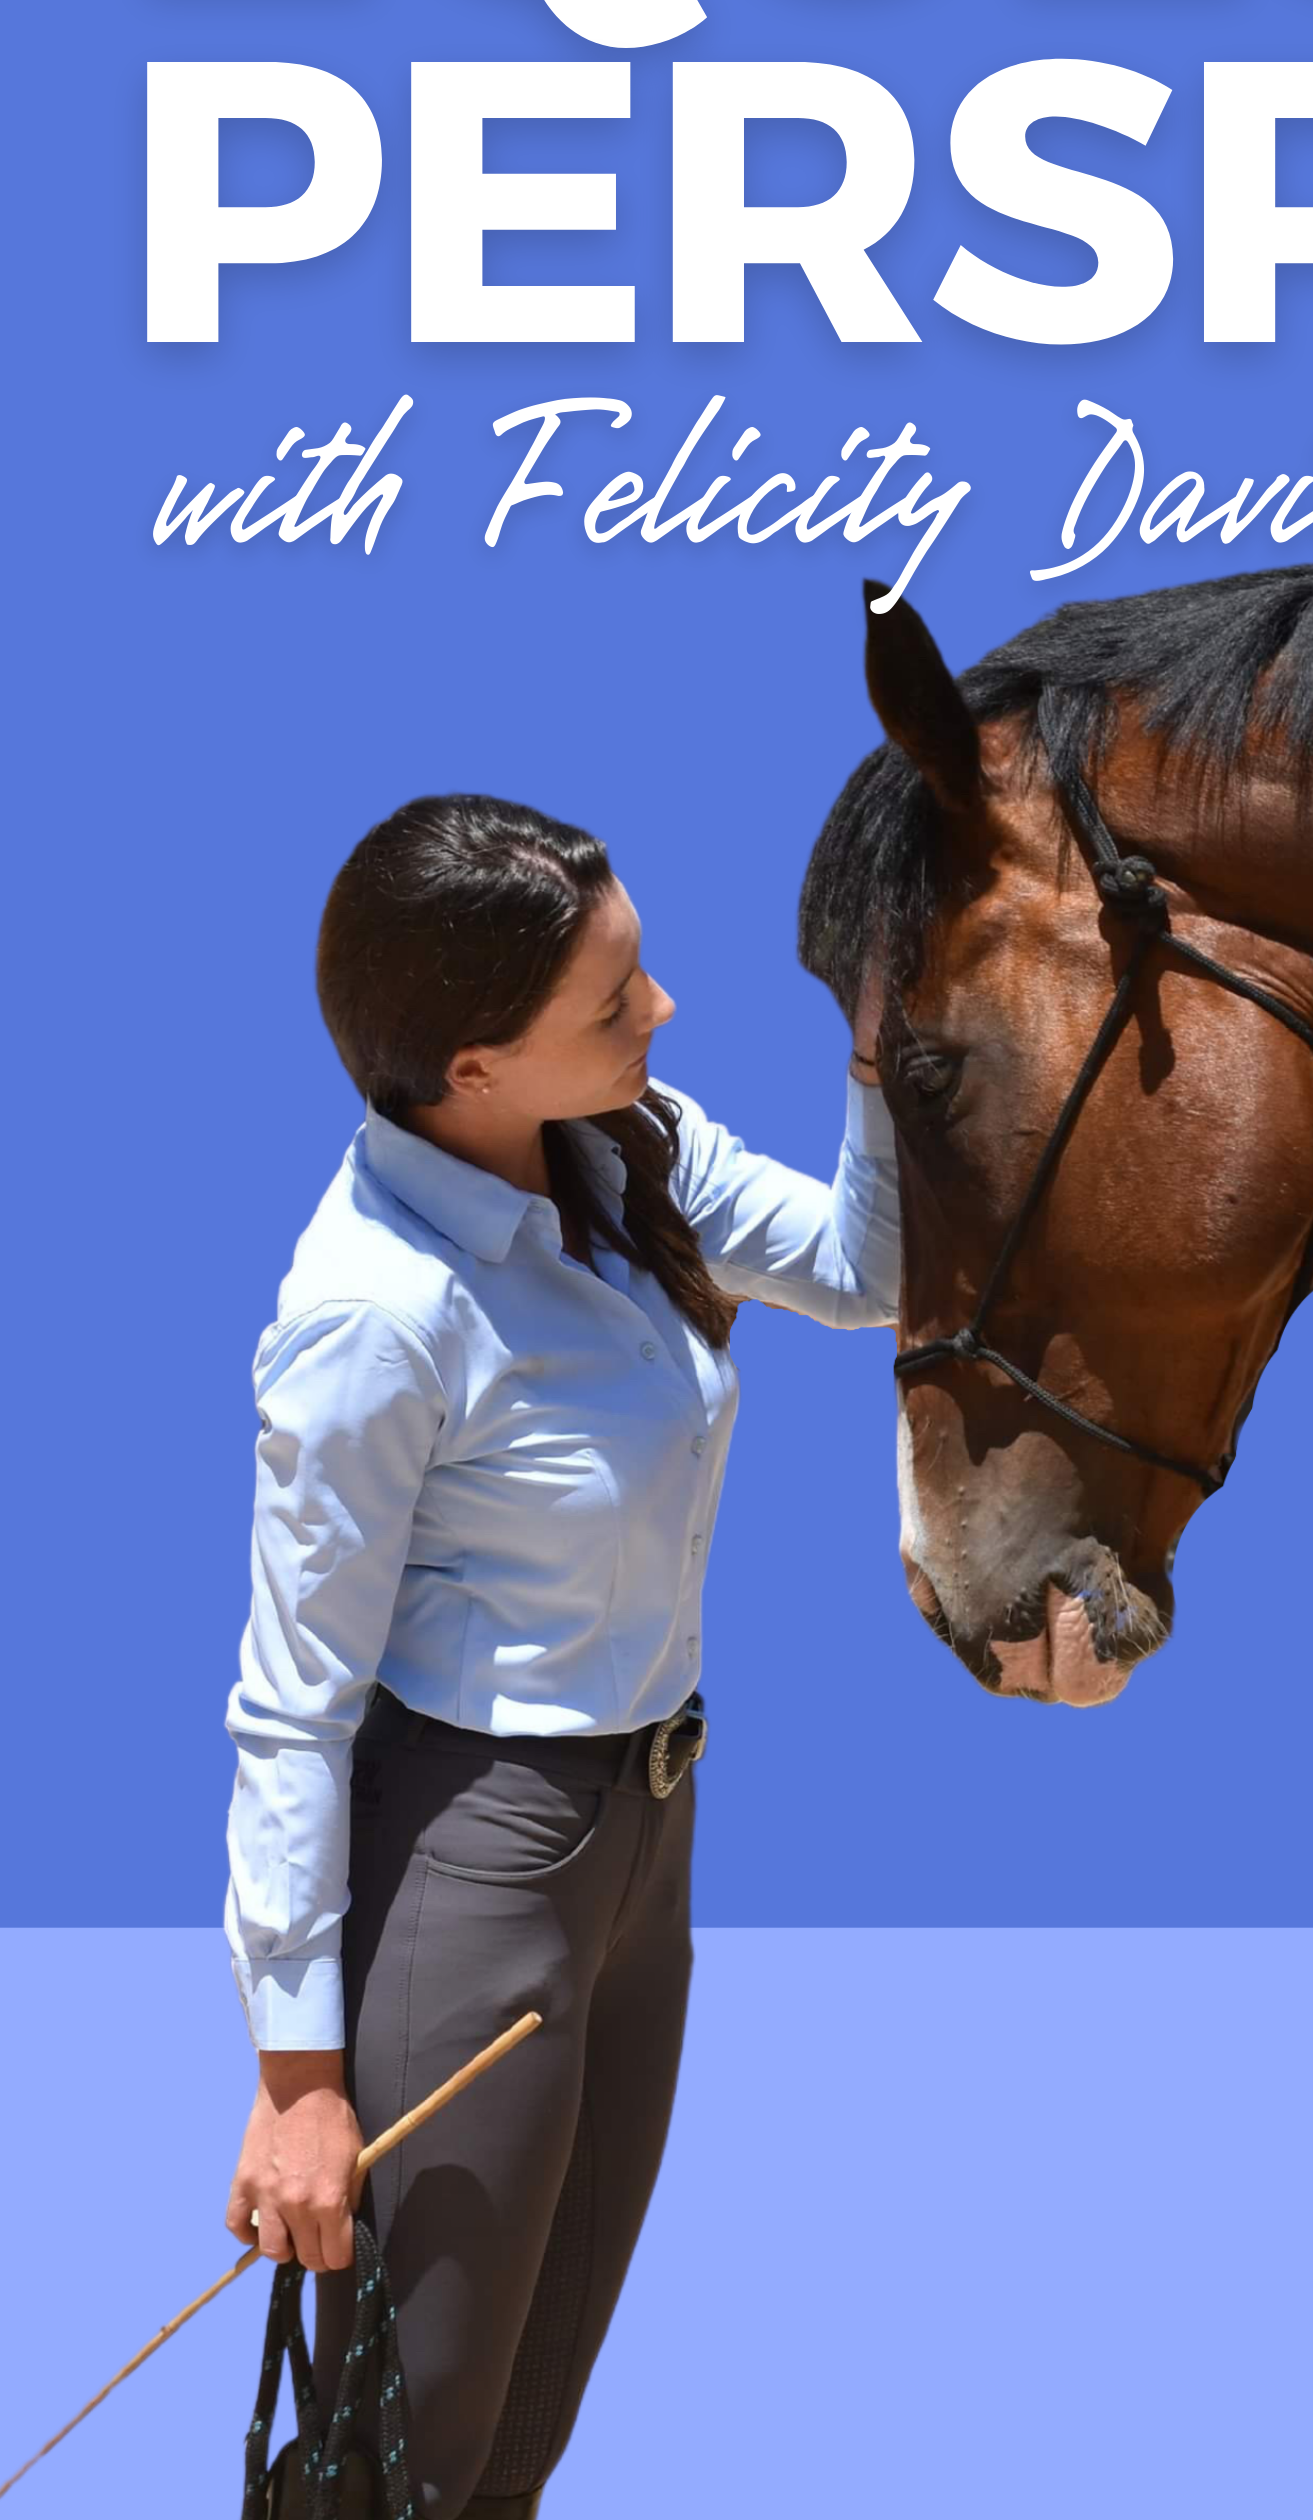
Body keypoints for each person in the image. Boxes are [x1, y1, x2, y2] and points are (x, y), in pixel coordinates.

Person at [222, 794, 899, 2518]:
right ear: (472, 1069)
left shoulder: (622, 1145)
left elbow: (863, 1266)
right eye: (614, 1001)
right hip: (480, 1864)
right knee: (407, 2454)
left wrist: (885, 1044)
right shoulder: (376, 1315)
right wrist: (298, 2085)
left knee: (521, 2434)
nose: (660, 1010)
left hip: (647, 1836)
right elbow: (292, 1712)